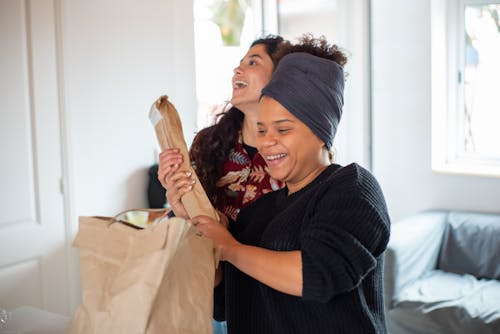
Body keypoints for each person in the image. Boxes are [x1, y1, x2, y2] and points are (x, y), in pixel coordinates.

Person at [190, 38, 391, 333]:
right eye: (262, 129)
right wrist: (206, 234)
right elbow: (223, 304)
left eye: (283, 129)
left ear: (322, 131)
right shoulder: (258, 212)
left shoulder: (353, 189)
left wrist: (229, 248)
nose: (266, 141)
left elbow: (319, 275)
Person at [157, 35, 286, 221]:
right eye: (240, 63)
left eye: (253, 63)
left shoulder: (292, 152)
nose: (237, 70)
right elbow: (186, 219)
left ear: (279, 77)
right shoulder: (207, 143)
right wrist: (175, 188)